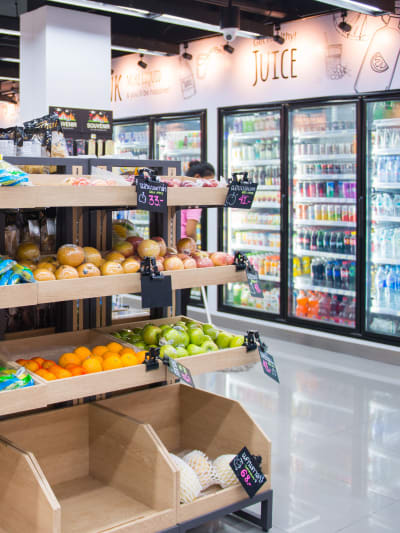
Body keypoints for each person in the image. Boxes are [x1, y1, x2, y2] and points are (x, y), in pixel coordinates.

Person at [181, 161, 215, 315]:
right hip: (185, 251)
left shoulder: (179, 190)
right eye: (210, 180)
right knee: (182, 295)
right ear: (197, 178)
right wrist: (196, 244)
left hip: (169, 248)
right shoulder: (195, 199)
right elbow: (190, 230)